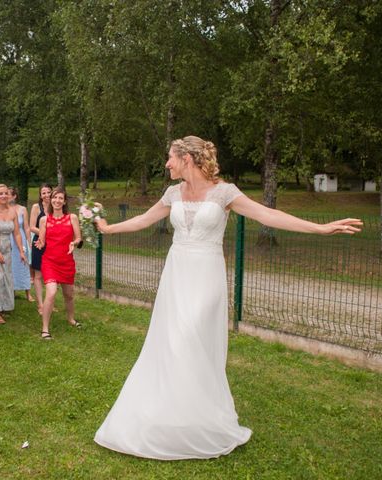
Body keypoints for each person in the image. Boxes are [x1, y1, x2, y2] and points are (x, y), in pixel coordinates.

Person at [93, 135, 363, 460]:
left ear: (187, 159)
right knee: (170, 344)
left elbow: (269, 216)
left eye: (170, 158)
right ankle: (172, 417)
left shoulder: (225, 192)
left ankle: (197, 418)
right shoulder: (172, 193)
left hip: (207, 275)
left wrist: (319, 228)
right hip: (177, 273)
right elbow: (143, 220)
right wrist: (109, 230)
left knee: (189, 338)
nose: (166, 164)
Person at [35, 187, 82, 339]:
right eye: (55, 197)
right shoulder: (44, 219)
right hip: (49, 262)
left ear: (65, 201)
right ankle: (45, 329)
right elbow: (42, 240)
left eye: (60, 198)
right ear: (50, 199)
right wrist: (40, 244)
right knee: (51, 292)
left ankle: (70, 318)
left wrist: (74, 243)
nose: (57, 200)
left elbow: (78, 238)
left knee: (69, 295)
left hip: (67, 262)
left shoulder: (72, 218)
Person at [0, 184, 26, 324]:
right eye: (0, 193)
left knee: (6, 277)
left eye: (6, 193)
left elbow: (17, 234)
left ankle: (3, 306)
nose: (3, 196)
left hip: (8, 248)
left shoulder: (13, 212)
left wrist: (21, 251)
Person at [29, 183, 52, 314]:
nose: (47, 195)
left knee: (51, 275)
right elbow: (32, 226)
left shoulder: (56, 207)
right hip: (39, 242)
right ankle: (40, 304)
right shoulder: (36, 207)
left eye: (49, 192)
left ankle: (50, 302)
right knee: (38, 275)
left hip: (53, 244)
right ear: (40, 195)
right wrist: (45, 234)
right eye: (44, 193)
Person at [9, 187, 33, 302]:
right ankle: (12, 291)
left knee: (23, 265)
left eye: (9, 194)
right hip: (9, 239)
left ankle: (27, 292)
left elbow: (27, 227)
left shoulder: (22, 209)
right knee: (11, 266)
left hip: (20, 238)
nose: (6, 196)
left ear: (14, 196)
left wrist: (28, 242)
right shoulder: (4, 210)